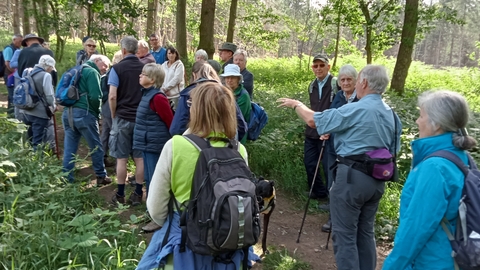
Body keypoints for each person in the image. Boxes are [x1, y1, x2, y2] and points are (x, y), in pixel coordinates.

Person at [277, 65, 402, 270]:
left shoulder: (357, 108)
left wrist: (296, 104)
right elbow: (392, 149)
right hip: (378, 179)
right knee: (365, 232)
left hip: (352, 178)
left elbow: (313, 120)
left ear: (363, 83)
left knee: (344, 234)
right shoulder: (391, 114)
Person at [137, 82, 256, 269]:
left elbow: (156, 207)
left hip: (185, 241)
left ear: (197, 110)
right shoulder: (239, 150)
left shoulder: (175, 146)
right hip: (226, 241)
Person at [383, 91, 477, 270]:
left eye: (421, 115)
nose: (417, 121)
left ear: (437, 124)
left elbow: (416, 228)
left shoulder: (434, 167)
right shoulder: (462, 158)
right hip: (456, 256)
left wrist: (392, 266)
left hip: (431, 261)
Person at [133, 63, 174, 232]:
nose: (140, 76)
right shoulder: (147, 94)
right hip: (147, 142)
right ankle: (152, 212)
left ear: (152, 79)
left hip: (155, 145)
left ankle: (158, 218)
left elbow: (170, 122)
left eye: (143, 74)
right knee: (149, 179)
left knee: (155, 181)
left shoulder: (158, 98)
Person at [62, 55, 112, 185]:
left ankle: (67, 178)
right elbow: (96, 96)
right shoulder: (92, 71)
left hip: (68, 113)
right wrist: (96, 114)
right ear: (97, 61)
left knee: (69, 148)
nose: (105, 69)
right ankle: (101, 176)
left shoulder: (77, 69)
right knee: (96, 146)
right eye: (105, 65)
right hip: (84, 114)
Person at [321, 64, 359, 232]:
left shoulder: (361, 100)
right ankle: (332, 216)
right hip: (332, 147)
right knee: (332, 183)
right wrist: (326, 131)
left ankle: (343, 220)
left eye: (349, 79)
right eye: (342, 80)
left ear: (356, 81)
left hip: (350, 151)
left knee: (345, 185)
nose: (345, 83)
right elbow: (331, 116)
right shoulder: (338, 96)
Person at [108, 36, 146, 206]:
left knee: (121, 158)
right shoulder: (145, 68)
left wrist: (114, 113)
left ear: (123, 50)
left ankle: (120, 194)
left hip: (122, 117)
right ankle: (138, 193)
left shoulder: (117, 68)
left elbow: (112, 96)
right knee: (140, 158)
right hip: (140, 119)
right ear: (137, 50)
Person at [169, 62, 248, 141]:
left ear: (195, 75)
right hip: (224, 145)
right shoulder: (224, 93)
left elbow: (176, 129)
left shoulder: (188, 94)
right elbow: (241, 126)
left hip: (194, 145)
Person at [301, 54, 336, 201]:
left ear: (328, 66)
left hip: (329, 132)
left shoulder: (335, 83)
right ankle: (317, 192)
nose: (318, 68)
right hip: (312, 131)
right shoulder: (312, 85)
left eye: (322, 65)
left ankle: (331, 197)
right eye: (315, 66)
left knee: (329, 167)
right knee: (310, 163)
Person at [17, 55, 56, 151]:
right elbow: (49, 96)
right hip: (40, 113)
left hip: (25, 110)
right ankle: (38, 162)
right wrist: (53, 106)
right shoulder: (46, 75)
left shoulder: (27, 71)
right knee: (38, 141)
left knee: (28, 139)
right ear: (48, 66)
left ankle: (28, 161)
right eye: (51, 68)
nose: (51, 70)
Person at [220, 64, 251, 144]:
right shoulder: (222, 92)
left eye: (232, 77)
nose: (229, 80)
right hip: (222, 132)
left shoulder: (243, 96)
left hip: (238, 133)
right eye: (227, 77)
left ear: (238, 79)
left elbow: (238, 118)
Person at [3, 34, 23, 117]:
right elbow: (7, 63)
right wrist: (15, 73)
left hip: (14, 75)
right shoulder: (9, 49)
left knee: (15, 94)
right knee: (12, 95)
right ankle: (12, 115)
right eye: (19, 41)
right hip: (10, 75)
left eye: (22, 41)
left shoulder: (18, 49)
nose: (21, 43)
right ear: (14, 40)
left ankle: (13, 114)